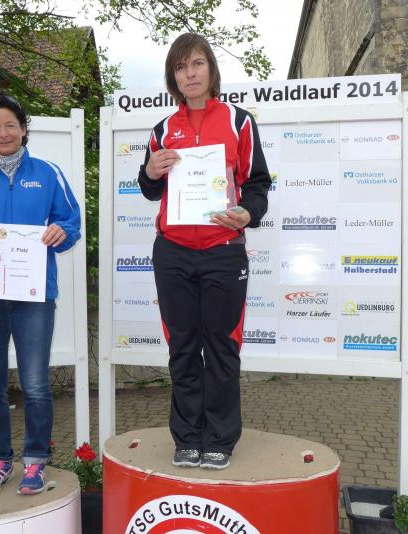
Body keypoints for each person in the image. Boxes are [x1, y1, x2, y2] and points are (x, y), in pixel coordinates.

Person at [138, 33, 271, 470]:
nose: (189, 73)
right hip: (173, 252)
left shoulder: (239, 122)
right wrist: (150, 170)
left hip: (222, 250)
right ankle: (187, 437)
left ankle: (220, 438)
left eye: (197, 63)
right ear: (173, 77)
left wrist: (248, 213)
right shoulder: (162, 130)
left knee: (221, 347)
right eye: (181, 67)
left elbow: (257, 183)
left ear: (211, 70)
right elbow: (150, 189)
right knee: (182, 347)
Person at [0, 93, 81, 496]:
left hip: (33, 294)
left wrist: (61, 232)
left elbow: (70, 221)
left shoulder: (48, 173)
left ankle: (36, 461)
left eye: (10, 125)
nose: (3, 133)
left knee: (36, 384)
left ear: (24, 129)